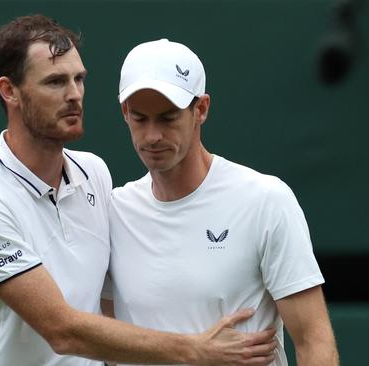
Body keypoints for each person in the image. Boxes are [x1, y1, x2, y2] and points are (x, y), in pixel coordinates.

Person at [0, 14, 278, 366]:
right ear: (9, 91)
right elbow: (62, 330)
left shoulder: (94, 173)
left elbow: (107, 275)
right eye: (55, 82)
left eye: (79, 79)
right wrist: (197, 349)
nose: (75, 95)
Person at [105, 39, 339, 365]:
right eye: (140, 119)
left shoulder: (264, 200)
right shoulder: (112, 211)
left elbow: (315, 341)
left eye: (168, 118)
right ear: (124, 113)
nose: (152, 136)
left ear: (200, 109)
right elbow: (102, 339)